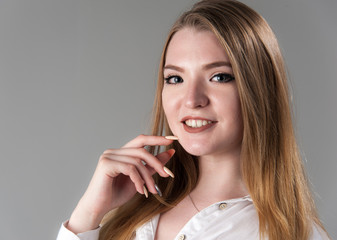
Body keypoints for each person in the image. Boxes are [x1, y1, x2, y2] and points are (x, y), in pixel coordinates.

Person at [57, 0, 330, 239]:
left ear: (259, 89)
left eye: (219, 77)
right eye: (175, 78)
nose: (191, 99)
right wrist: (89, 214)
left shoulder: (293, 234)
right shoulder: (130, 214)